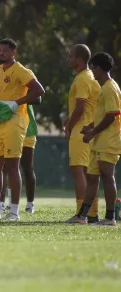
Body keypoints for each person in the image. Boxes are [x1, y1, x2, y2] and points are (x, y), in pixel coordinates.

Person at [0, 38, 45, 220]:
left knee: (12, 166)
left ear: (13, 53)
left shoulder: (21, 70)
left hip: (15, 122)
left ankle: (15, 211)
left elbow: (39, 91)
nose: (0, 53)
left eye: (4, 51)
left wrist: (16, 103)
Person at [70, 52, 120, 226]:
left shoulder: (110, 88)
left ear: (98, 67)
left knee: (107, 176)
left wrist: (92, 132)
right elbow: (103, 115)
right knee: (92, 178)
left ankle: (110, 217)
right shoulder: (103, 87)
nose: (92, 70)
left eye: (93, 67)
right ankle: (82, 216)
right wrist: (90, 126)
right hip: (98, 141)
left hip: (109, 140)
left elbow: (112, 116)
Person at [64, 44, 101, 223]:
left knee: (78, 171)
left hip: (80, 131)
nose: (69, 59)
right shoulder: (89, 77)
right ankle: (92, 213)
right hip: (88, 130)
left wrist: (69, 126)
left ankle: (81, 214)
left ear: (79, 59)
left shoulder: (81, 79)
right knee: (87, 173)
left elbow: (80, 108)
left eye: (70, 56)